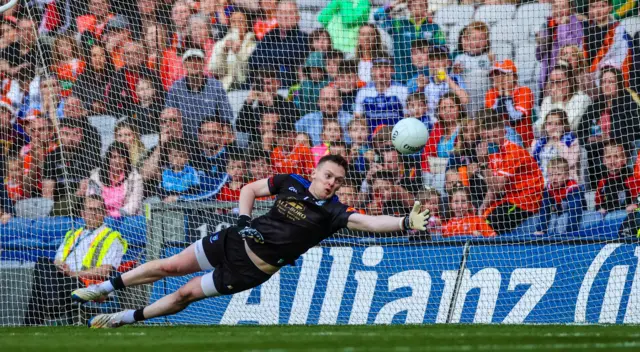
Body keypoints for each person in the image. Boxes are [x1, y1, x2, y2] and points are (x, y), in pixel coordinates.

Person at [71, 154, 431, 328]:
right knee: (168, 266)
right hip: (234, 238)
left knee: (184, 295)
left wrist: (403, 221)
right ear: (315, 173)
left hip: (250, 270)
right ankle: (103, 287)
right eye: (327, 175)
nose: (332, 182)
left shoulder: (334, 213)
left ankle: (123, 318)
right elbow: (249, 189)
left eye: (338, 179)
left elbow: (368, 222)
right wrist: (243, 219)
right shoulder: (291, 182)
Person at [24, 195, 126, 326]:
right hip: (62, 280)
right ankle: (52, 304)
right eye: (90, 210)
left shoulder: (111, 237)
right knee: (43, 262)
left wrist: (73, 274)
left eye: (98, 210)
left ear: (104, 213)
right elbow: (57, 260)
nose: (93, 213)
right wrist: (63, 267)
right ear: (83, 213)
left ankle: (33, 321)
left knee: (41, 290)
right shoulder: (73, 234)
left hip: (88, 284)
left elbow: (105, 271)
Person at [476, 109, 545, 235]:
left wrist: (483, 163)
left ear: (504, 132)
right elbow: (493, 186)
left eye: (495, 136)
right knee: (481, 218)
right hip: (511, 197)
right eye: (487, 137)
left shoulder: (513, 152)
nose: (492, 140)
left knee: (488, 224)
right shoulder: (493, 153)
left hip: (527, 200)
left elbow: (497, 187)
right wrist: (483, 206)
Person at [578, 66, 640, 188]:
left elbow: (632, 130)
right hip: (597, 151)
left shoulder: (628, 103)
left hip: (623, 149)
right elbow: (582, 132)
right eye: (604, 82)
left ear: (619, 84)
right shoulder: (595, 105)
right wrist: (597, 140)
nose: (606, 85)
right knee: (591, 158)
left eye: (611, 82)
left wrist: (607, 138)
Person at [165, 47, 234, 139]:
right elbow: (169, 116)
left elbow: (226, 116)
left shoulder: (216, 86)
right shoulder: (175, 89)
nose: (194, 64)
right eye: (190, 60)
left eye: (197, 60)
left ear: (203, 63)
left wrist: (226, 133)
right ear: (184, 64)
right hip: (185, 141)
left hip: (211, 138)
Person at [374, 0, 446, 83]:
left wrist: (440, 74)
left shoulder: (434, 27)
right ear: (409, 7)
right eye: (414, 5)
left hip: (426, 78)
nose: (418, 8)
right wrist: (395, 3)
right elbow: (377, 17)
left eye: (421, 6)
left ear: (426, 8)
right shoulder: (400, 23)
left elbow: (442, 52)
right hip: (401, 77)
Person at [248, 0, 310, 88]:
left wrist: (269, 59)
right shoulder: (269, 35)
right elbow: (253, 60)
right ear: (276, 15)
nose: (285, 16)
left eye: (289, 13)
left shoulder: (304, 39)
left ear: (297, 17)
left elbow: (293, 59)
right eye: (281, 12)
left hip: (288, 88)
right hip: (262, 84)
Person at [83, 142, 144, 218]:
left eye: (121, 157)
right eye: (114, 157)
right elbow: (91, 201)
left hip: (126, 219)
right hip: (100, 219)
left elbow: (133, 206)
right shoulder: (96, 177)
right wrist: (102, 217)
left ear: (126, 159)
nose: (117, 161)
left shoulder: (135, 178)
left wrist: (115, 215)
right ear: (108, 159)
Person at [536, 0, 584, 94]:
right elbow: (539, 56)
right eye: (556, 7)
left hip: (566, 80)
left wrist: (563, 25)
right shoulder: (548, 24)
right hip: (546, 80)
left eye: (562, 7)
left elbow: (570, 45)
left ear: (570, 8)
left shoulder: (575, 23)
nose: (558, 10)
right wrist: (542, 41)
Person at [484, 60, 535, 147]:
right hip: (497, 144)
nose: (498, 78)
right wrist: (501, 95)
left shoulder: (524, 91)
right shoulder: (491, 93)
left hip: (524, 144)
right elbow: (491, 119)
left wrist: (506, 95)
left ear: (514, 77)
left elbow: (514, 119)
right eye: (496, 74)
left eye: (503, 74)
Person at [354, 55, 408, 135]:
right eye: (378, 67)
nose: (382, 71)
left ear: (393, 70)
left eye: (386, 67)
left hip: (397, 136)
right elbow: (357, 118)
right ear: (372, 70)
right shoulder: (363, 92)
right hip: (371, 138)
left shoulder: (402, 90)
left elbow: (407, 117)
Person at [534, 157, 585, 235]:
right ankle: (542, 229)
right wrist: (541, 229)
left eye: (558, 174)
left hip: (579, 214)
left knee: (564, 219)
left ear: (567, 176)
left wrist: (570, 232)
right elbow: (544, 208)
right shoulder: (549, 188)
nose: (554, 178)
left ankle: (571, 231)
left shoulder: (572, 188)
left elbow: (575, 210)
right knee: (551, 216)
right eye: (551, 175)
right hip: (561, 211)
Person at [536, 63, 592, 135]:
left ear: (570, 81)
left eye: (559, 81)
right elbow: (541, 127)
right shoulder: (547, 100)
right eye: (552, 82)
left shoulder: (582, 99)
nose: (555, 86)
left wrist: (559, 102)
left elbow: (571, 127)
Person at [208, 10, 256, 91]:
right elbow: (214, 70)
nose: (237, 25)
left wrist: (238, 52)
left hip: (245, 87)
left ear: (247, 25)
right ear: (230, 25)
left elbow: (246, 71)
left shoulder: (253, 45)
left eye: (241, 21)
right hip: (225, 88)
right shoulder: (220, 44)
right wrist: (224, 52)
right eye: (233, 21)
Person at [531, 109, 582, 184]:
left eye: (557, 124)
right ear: (545, 125)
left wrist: (558, 142)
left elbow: (570, 163)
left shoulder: (572, 141)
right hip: (541, 181)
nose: (553, 127)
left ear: (564, 125)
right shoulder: (537, 142)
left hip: (563, 182)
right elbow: (532, 165)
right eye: (549, 123)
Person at [453, 21, 493, 114]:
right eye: (474, 38)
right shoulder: (460, 58)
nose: (477, 42)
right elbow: (455, 78)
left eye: (482, 39)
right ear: (467, 39)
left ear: (487, 42)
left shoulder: (488, 57)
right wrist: (456, 71)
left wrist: (493, 62)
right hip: (467, 100)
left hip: (484, 99)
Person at [595, 141, 639, 214]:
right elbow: (597, 201)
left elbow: (639, 196)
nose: (612, 161)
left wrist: (635, 205)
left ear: (624, 160)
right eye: (608, 157)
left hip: (626, 217)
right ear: (604, 160)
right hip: (608, 219)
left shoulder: (630, 179)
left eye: (616, 156)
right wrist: (599, 208)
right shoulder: (603, 181)